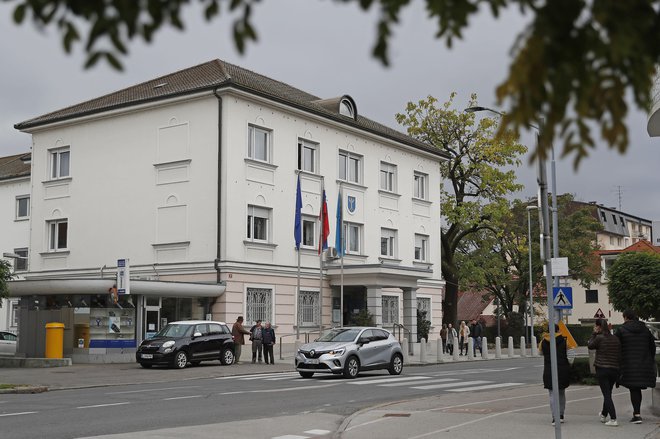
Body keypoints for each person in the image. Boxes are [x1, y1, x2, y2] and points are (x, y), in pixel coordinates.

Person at [615, 309, 656, 424]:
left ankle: (637, 415)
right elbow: (652, 347)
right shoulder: (646, 330)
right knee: (637, 388)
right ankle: (637, 414)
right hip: (644, 364)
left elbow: (616, 347)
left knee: (634, 388)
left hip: (628, 365)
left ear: (626, 317)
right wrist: (648, 359)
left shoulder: (621, 330)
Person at [588, 318, 621, 427]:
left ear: (599, 327)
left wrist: (594, 333)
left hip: (602, 369)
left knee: (606, 395)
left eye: (596, 326)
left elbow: (590, 345)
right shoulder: (615, 338)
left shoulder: (599, 338)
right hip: (614, 370)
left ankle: (613, 418)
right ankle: (603, 415)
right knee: (608, 393)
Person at [541, 324, 570, 426]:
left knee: (552, 394)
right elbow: (569, 353)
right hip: (562, 369)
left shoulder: (543, 342)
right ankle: (561, 415)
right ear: (558, 330)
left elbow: (541, 353)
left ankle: (554, 417)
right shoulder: (564, 340)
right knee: (561, 392)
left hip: (549, 369)